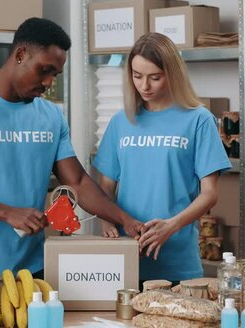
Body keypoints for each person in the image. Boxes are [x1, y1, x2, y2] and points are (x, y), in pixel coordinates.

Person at [0, 17, 143, 277]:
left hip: (35, 269)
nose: (49, 82)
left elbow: (78, 182)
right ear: (21, 54)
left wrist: (124, 219)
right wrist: (7, 213)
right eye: (44, 70)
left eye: (55, 75)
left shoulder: (51, 116)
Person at [94, 32, 232, 282]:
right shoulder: (120, 122)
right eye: (137, 76)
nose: (144, 86)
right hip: (126, 261)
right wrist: (107, 221)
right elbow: (106, 187)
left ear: (172, 74)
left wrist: (171, 226)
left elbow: (210, 194)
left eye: (154, 77)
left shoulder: (199, 120)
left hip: (178, 263)